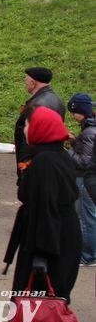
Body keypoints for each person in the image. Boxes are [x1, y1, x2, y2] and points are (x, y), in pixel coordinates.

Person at [7, 107, 82, 322]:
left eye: (27, 124)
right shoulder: (57, 155)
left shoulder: (44, 163)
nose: (25, 129)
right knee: (42, 303)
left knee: (43, 302)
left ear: (40, 129)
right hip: (59, 237)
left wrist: (41, 255)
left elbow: (47, 210)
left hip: (49, 242)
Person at [14, 67, 65, 180]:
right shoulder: (57, 99)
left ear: (33, 83)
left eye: (26, 80)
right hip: (52, 158)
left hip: (35, 163)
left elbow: (30, 139)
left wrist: (24, 167)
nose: (25, 83)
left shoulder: (37, 106)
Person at [67, 93, 96, 266]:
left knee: (86, 218)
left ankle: (88, 256)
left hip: (85, 179)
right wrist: (74, 141)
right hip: (88, 178)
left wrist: (66, 152)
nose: (72, 115)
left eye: (74, 111)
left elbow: (84, 162)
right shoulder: (89, 129)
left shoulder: (90, 132)